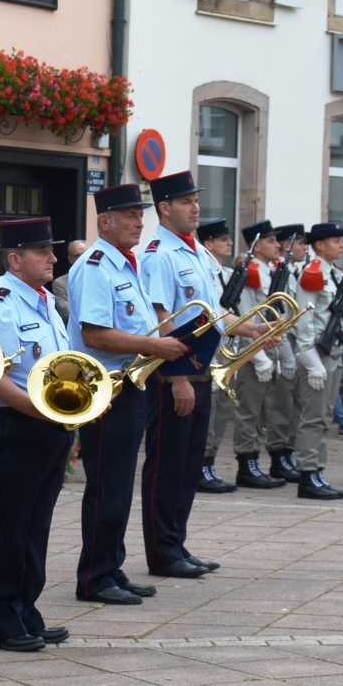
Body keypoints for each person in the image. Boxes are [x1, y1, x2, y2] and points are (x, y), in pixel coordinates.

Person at [67, 183, 188, 606]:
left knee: (119, 485)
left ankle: (111, 567)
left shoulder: (125, 263)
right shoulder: (98, 265)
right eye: (131, 216)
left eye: (141, 215)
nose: (140, 222)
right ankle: (95, 577)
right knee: (106, 485)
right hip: (107, 390)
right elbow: (95, 333)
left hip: (129, 385)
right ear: (105, 221)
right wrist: (155, 347)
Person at [0, 217, 73, 652]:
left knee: (35, 525)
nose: (52, 257)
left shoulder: (41, 299)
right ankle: (1, 620)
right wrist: (42, 410)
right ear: (14, 258)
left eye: (52, 250)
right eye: (42, 251)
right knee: (8, 526)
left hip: (42, 425)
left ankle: (26, 609)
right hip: (8, 425)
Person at [138, 172, 255, 578]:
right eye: (187, 201)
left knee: (188, 464)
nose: (197, 208)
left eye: (196, 200)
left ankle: (177, 544)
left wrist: (253, 328)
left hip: (202, 371)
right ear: (165, 208)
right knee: (167, 462)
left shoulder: (197, 253)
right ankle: (162, 551)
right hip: (175, 376)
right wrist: (177, 377)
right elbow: (160, 317)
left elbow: (213, 311)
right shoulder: (158, 254)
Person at [288, 222, 343, 499]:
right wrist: (310, 360)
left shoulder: (334, 274)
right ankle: (308, 474)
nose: (341, 245)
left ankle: (317, 472)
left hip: (334, 352)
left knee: (324, 415)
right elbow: (304, 318)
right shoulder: (312, 273)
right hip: (317, 354)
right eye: (335, 241)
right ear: (320, 245)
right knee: (313, 417)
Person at [229, 220, 286, 489]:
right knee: (249, 412)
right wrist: (258, 356)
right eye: (271, 241)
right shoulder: (250, 272)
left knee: (263, 411)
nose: (278, 245)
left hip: (268, 347)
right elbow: (248, 315)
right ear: (257, 246)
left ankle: (255, 461)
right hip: (253, 352)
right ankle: (246, 464)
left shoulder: (270, 271)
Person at [196, 218, 237, 493]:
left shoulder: (228, 273)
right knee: (208, 412)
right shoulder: (204, 272)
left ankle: (210, 461)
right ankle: (200, 464)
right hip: (208, 349)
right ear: (208, 244)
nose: (230, 244)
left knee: (222, 410)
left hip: (226, 347)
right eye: (223, 239)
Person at [261, 224, 304, 481]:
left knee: (293, 404)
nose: (304, 248)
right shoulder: (267, 272)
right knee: (278, 405)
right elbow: (274, 312)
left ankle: (287, 452)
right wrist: (284, 347)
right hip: (274, 342)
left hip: (292, 342)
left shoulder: (290, 271)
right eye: (300, 243)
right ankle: (277, 455)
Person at [52, 239, 88, 324]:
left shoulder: (100, 279)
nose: (81, 258)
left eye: (84, 254)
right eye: (76, 256)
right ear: (70, 259)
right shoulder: (60, 283)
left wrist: (73, 305)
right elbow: (66, 313)